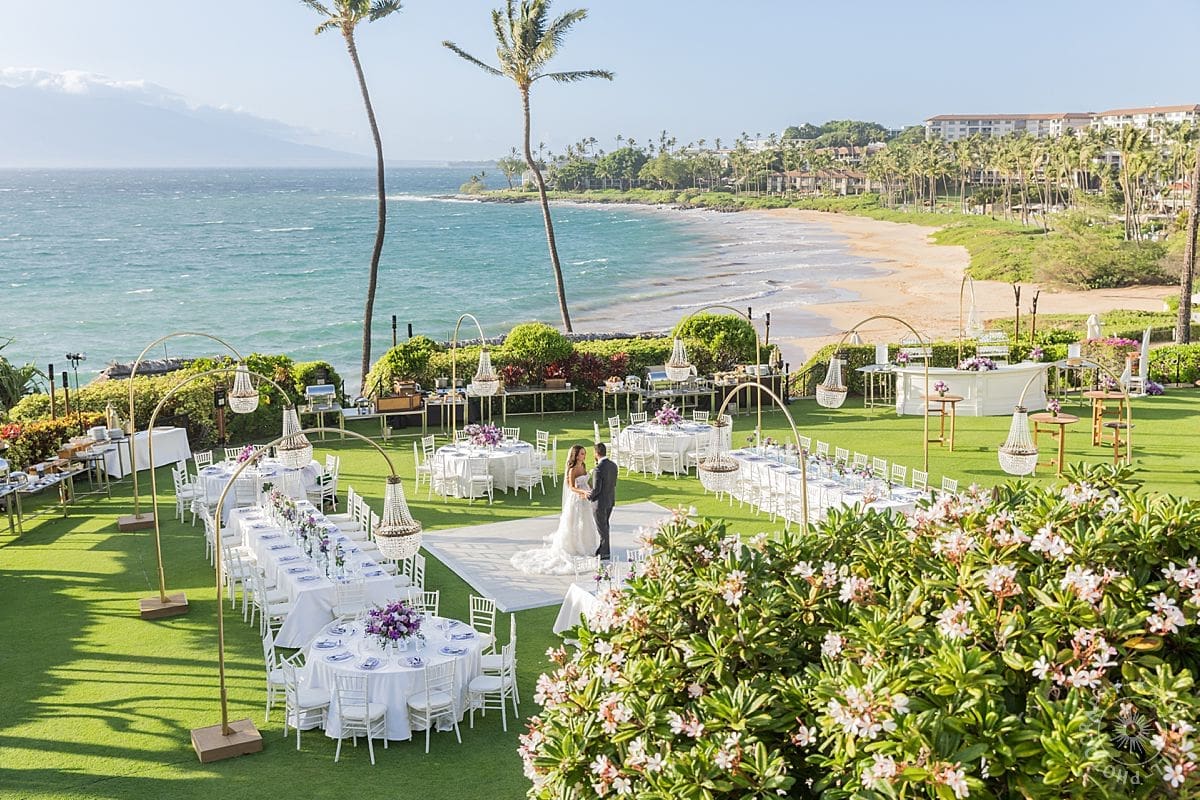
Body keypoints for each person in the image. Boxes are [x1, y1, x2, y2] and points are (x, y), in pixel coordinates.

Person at [510, 444, 600, 575]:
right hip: (576, 499)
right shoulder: (572, 469)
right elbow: (571, 487)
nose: (584, 456)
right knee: (574, 523)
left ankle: (586, 545)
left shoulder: (584, 466)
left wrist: (590, 488)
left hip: (585, 499)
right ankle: (574, 546)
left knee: (586, 522)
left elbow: (586, 481)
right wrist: (583, 492)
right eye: (581, 453)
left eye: (584, 453)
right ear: (575, 455)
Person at [582, 442, 617, 560]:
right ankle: (602, 549)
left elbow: (596, 489)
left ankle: (605, 553)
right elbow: (613, 484)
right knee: (605, 526)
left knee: (602, 529)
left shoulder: (598, 469)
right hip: (610, 501)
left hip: (599, 504)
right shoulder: (614, 465)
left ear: (596, 453)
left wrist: (588, 496)